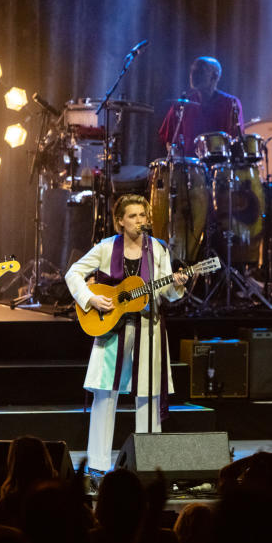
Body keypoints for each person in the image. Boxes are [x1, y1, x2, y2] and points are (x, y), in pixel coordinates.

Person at [65, 194, 188, 473]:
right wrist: (90, 299)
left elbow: (166, 292)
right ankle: (97, 465)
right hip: (112, 328)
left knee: (148, 394)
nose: (139, 221)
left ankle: (148, 463)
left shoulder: (157, 249)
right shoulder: (106, 247)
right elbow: (73, 273)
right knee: (105, 394)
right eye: (132, 216)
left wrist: (178, 283)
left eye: (143, 216)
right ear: (120, 221)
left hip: (148, 328)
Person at [158, 56, 244, 152]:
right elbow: (168, 138)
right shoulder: (182, 104)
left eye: (200, 71)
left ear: (214, 77)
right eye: (192, 71)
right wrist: (176, 157)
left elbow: (236, 141)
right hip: (189, 165)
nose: (193, 75)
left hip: (220, 164)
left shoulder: (230, 103)